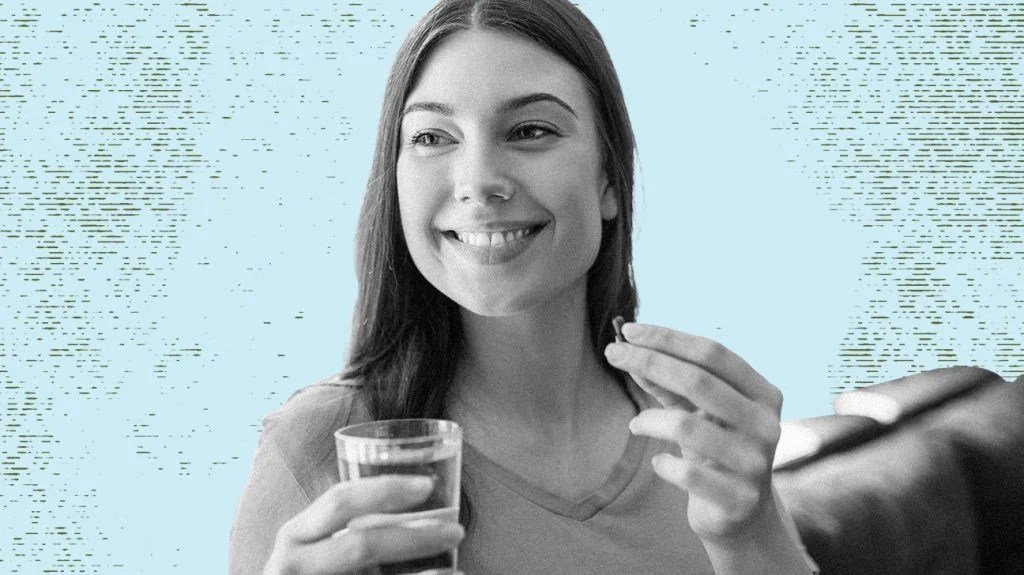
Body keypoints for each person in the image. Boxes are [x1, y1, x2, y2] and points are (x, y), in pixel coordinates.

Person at [230, 0, 819, 573]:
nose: (479, 181)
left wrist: (753, 534)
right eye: (433, 137)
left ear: (610, 180)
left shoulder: (699, 445)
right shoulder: (316, 451)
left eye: (531, 130)